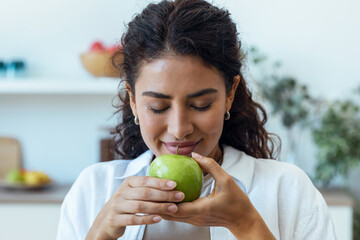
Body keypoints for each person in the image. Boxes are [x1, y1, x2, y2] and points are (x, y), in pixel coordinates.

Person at [57, 0, 336, 239]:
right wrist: (99, 235)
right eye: (157, 107)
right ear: (133, 100)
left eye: (201, 105)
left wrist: (247, 224)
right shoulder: (93, 189)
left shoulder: (288, 189)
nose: (180, 130)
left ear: (229, 94)